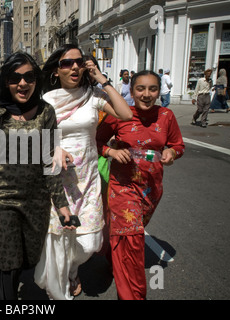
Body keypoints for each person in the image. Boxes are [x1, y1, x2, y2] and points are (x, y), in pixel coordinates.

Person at [0, 52, 72, 300]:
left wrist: (62, 205)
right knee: (8, 262)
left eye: (28, 77)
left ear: (37, 80)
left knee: (27, 258)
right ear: (6, 81)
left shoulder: (46, 112)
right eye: (15, 78)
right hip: (3, 200)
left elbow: (50, 161)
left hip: (36, 201)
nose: (22, 84)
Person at [34, 43, 133, 300]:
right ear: (56, 70)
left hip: (88, 179)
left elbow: (125, 114)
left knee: (89, 242)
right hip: (57, 180)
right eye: (67, 63)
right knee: (59, 238)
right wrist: (55, 149)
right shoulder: (46, 101)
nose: (74, 67)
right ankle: (63, 280)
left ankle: (72, 267)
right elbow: (35, 139)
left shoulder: (93, 96)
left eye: (79, 62)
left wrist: (103, 79)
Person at [96, 70, 185, 300]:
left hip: (151, 189)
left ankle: (111, 259)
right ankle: (133, 296)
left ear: (159, 91)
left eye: (152, 89)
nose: (146, 94)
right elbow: (95, 141)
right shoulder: (119, 114)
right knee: (132, 239)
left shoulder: (166, 115)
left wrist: (171, 152)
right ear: (132, 91)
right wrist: (112, 151)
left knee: (126, 237)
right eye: (141, 89)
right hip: (122, 186)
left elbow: (177, 144)